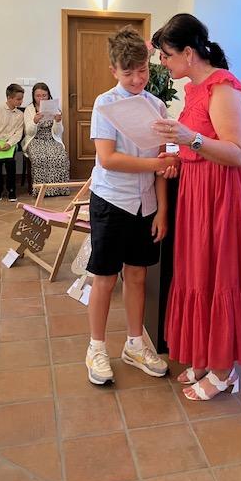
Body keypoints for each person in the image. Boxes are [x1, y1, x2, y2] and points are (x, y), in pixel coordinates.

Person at [151, 13, 241, 401]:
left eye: (167, 55)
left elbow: (237, 153)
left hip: (230, 195)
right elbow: (193, 140)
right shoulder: (195, 89)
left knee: (223, 275)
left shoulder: (223, 87)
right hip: (200, 193)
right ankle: (208, 355)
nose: (163, 63)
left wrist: (187, 139)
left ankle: (225, 372)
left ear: (188, 53)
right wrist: (172, 152)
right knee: (201, 273)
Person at [85, 26, 178, 385]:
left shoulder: (157, 106)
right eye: (128, 73)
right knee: (105, 277)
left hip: (146, 205)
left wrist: (163, 209)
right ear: (114, 71)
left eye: (142, 71)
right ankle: (96, 348)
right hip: (112, 200)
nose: (137, 79)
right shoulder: (105, 104)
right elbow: (107, 159)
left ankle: (135, 344)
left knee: (137, 275)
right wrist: (157, 164)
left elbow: (164, 163)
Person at [22, 82, 70, 196]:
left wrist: (58, 121)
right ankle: (41, 191)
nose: (41, 98)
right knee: (40, 157)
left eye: (44, 95)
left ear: (48, 95)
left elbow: (58, 132)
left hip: (52, 139)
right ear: (33, 96)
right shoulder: (29, 109)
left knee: (61, 157)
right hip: (35, 139)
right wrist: (35, 121)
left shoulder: (55, 109)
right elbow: (28, 132)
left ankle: (59, 189)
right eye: (38, 96)